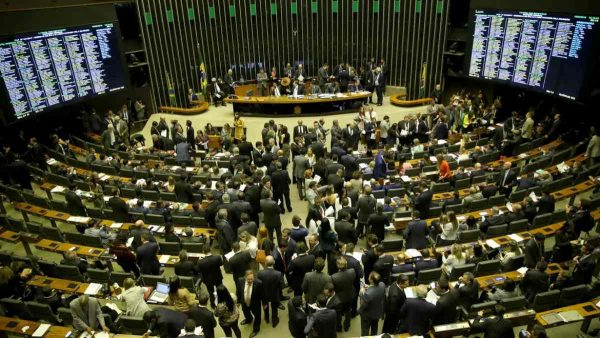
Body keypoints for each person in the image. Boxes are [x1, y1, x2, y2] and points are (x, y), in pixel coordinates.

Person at [331, 257, 356, 332]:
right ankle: (347, 326)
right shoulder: (352, 271)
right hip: (350, 294)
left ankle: (338, 327)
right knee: (348, 310)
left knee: (338, 313)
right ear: (346, 264)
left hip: (339, 297)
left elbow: (332, 288)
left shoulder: (334, 277)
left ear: (337, 265)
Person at [257, 256, 283, 327]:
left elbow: (258, 284)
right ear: (274, 262)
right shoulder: (278, 273)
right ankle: (274, 321)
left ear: (265, 263)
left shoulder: (260, 273)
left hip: (264, 294)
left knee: (265, 306)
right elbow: (281, 285)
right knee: (274, 307)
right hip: (274, 293)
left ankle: (266, 318)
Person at [236, 270, 263, 337]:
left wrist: (264, 303)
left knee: (257, 317)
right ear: (245, 277)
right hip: (244, 303)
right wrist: (238, 302)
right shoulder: (240, 281)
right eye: (249, 279)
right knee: (245, 312)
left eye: (252, 279)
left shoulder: (259, 283)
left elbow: (263, 294)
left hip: (255, 304)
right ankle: (249, 319)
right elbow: (238, 292)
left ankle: (256, 329)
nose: (251, 280)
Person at [358, 271, 385, 336]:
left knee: (365, 330)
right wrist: (370, 287)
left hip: (367, 315)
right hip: (377, 312)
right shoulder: (382, 284)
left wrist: (362, 292)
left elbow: (363, 306)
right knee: (375, 328)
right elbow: (376, 290)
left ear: (371, 280)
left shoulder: (367, 294)